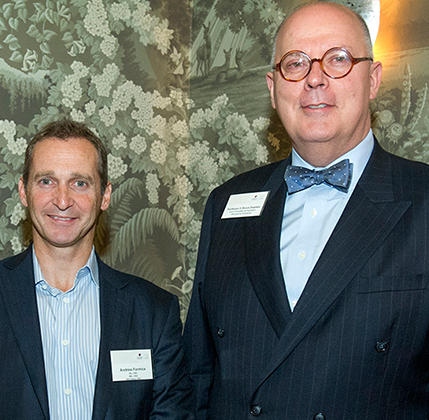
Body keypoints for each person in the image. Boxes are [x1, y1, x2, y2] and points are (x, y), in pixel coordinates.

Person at [183, 2, 429, 419]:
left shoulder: (422, 199)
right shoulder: (225, 204)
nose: (315, 78)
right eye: (295, 64)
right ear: (273, 88)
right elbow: (197, 376)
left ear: (372, 80)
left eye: (338, 60)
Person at [0, 119, 189, 419]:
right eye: (46, 181)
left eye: (80, 183)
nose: (63, 200)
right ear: (23, 192)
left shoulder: (154, 312)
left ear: (105, 195)